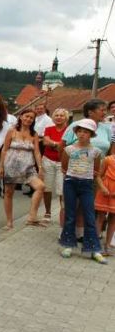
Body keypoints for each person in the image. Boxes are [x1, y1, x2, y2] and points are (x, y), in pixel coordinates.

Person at [62, 99, 112, 241]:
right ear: (90, 112)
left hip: (97, 172)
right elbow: (63, 146)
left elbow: (109, 151)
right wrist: (66, 169)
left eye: (105, 110)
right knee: (72, 204)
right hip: (76, 170)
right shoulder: (75, 125)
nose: (105, 112)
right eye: (102, 110)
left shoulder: (106, 128)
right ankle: (67, 232)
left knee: (88, 205)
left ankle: (82, 232)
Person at [59, 118, 108, 264]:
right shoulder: (69, 149)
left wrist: (100, 186)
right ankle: (68, 245)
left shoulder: (96, 152)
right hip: (70, 183)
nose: (82, 134)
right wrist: (73, 175)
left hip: (87, 185)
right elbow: (64, 167)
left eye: (85, 132)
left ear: (91, 134)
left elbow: (96, 171)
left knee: (89, 216)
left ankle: (94, 249)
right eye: (79, 131)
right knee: (70, 215)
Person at [0, 109, 45, 229]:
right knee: (9, 193)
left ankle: (32, 217)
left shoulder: (34, 134)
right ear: (21, 117)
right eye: (26, 116)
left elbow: (37, 152)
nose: (28, 119)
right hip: (11, 166)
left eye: (31, 118)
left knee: (40, 187)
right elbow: (4, 150)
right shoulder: (12, 131)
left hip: (28, 167)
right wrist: (1, 167)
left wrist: (40, 167)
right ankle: (9, 222)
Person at [42, 108, 69, 224]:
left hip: (63, 162)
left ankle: (63, 213)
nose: (59, 117)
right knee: (47, 188)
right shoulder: (49, 129)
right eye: (56, 115)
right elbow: (45, 142)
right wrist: (60, 144)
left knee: (61, 190)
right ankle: (47, 212)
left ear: (66, 117)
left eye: (61, 115)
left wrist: (53, 143)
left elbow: (70, 145)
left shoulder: (69, 130)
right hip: (48, 160)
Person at [95, 151, 115, 256]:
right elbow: (98, 175)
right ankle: (95, 245)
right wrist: (102, 188)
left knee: (113, 220)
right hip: (105, 193)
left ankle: (107, 246)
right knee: (100, 217)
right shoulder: (108, 159)